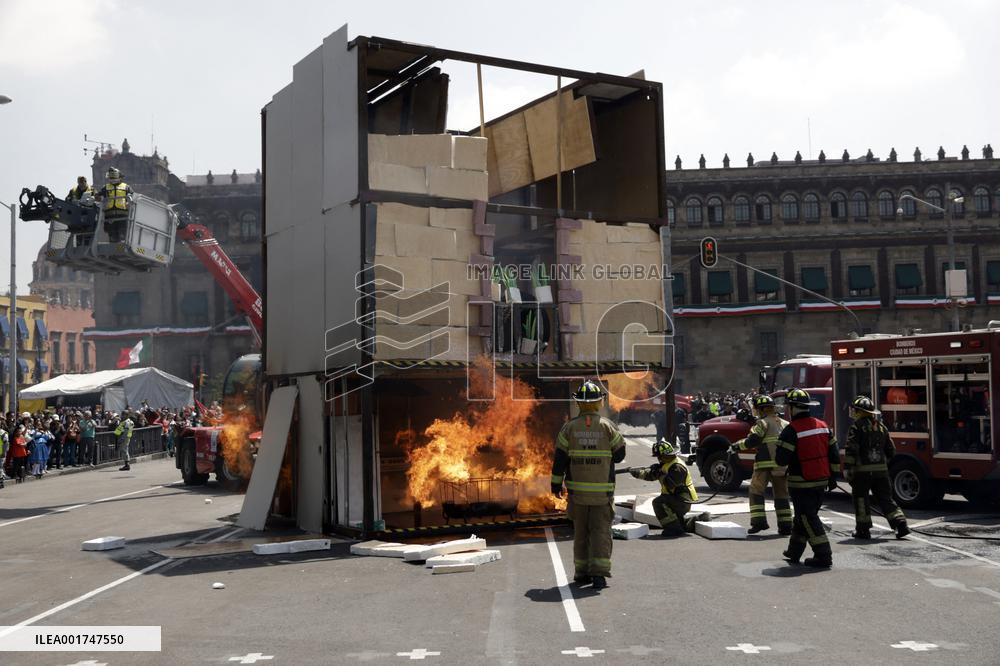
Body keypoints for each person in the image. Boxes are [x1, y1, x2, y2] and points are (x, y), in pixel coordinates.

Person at [550, 380, 626, 590]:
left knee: (581, 534)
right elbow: (620, 455)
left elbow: (559, 460)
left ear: (580, 404)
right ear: (598, 402)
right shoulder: (608, 427)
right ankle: (599, 576)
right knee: (600, 533)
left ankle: (581, 573)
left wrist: (556, 485)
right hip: (602, 495)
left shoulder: (569, 428)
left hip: (577, 496)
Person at [774, 388, 841, 568]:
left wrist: (780, 445)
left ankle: (823, 555)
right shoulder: (823, 425)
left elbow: (781, 459)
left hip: (801, 483)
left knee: (807, 518)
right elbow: (834, 455)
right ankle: (794, 551)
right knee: (802, 517)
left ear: (793, 408)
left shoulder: (791, 430)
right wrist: (833, 477)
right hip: (821, 481)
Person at [844, 396, 909, 540]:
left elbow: (851, 449)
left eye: (855, 410)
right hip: (881, 472)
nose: (854, 412)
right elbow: (891, 450)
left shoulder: (856, 427)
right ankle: (901, 524)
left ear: (860, 412)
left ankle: (863, 530)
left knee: (861, 500)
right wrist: (882, 465)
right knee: (886, 498)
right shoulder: (881, 427)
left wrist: (848, 469)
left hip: (862, 473)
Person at [730, 394, 792, 534]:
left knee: (755, 491)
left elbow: (753, 440)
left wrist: (735, 446)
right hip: (782, 466)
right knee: (782, 494)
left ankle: (759, 523)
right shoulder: (785, 423)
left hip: (764, 465)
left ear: (761, 409)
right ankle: (786, 525)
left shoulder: (761, 423)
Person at [630, 439, 705, 536]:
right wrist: (637, 473)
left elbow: (670, 483)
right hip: (676, 499)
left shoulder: (677, 467)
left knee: (658, 502)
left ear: (664, 456)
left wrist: (659, 473)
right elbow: (651, 475)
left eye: (659, 457)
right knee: (679, 522)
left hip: (683, 500)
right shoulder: (667, 464)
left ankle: (673, 529)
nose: (659, 459)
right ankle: (687, 523)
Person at [96, 167, 133, 242]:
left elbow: (132, 195)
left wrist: (129, 200)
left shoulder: (126, 187)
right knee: (112, 235)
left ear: (119, 176)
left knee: (122, 235)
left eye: (114, 175)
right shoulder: (106, 187)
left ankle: (122, 250)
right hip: (110, 215)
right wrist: (98, 198)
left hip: (123, 214)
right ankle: (114, 252)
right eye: (110, 175)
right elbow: (97, 195)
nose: (112, 177)